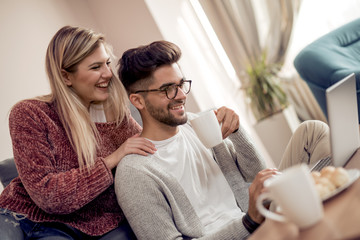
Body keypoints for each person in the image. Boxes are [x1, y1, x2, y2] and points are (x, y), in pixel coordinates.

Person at [114, 40, 331, 239]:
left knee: (313, 131)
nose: (180, 95)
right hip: (244, 230)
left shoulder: (199, 123)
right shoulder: (134, 172)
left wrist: (237, 133)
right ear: (138, 101)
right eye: (167, 89)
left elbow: (255, 173)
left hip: (260, 216)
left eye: (181, 84)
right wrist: (248, 222)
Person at [0, 26, 157, 240]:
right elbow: (49, 195)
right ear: (66, 77)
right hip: (33, 219)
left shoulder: (119, 116)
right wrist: (112, 159)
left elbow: (158, 152)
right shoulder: (30, 114)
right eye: (95, 67)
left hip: (100, 223)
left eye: (107, 63)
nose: (108, 74)